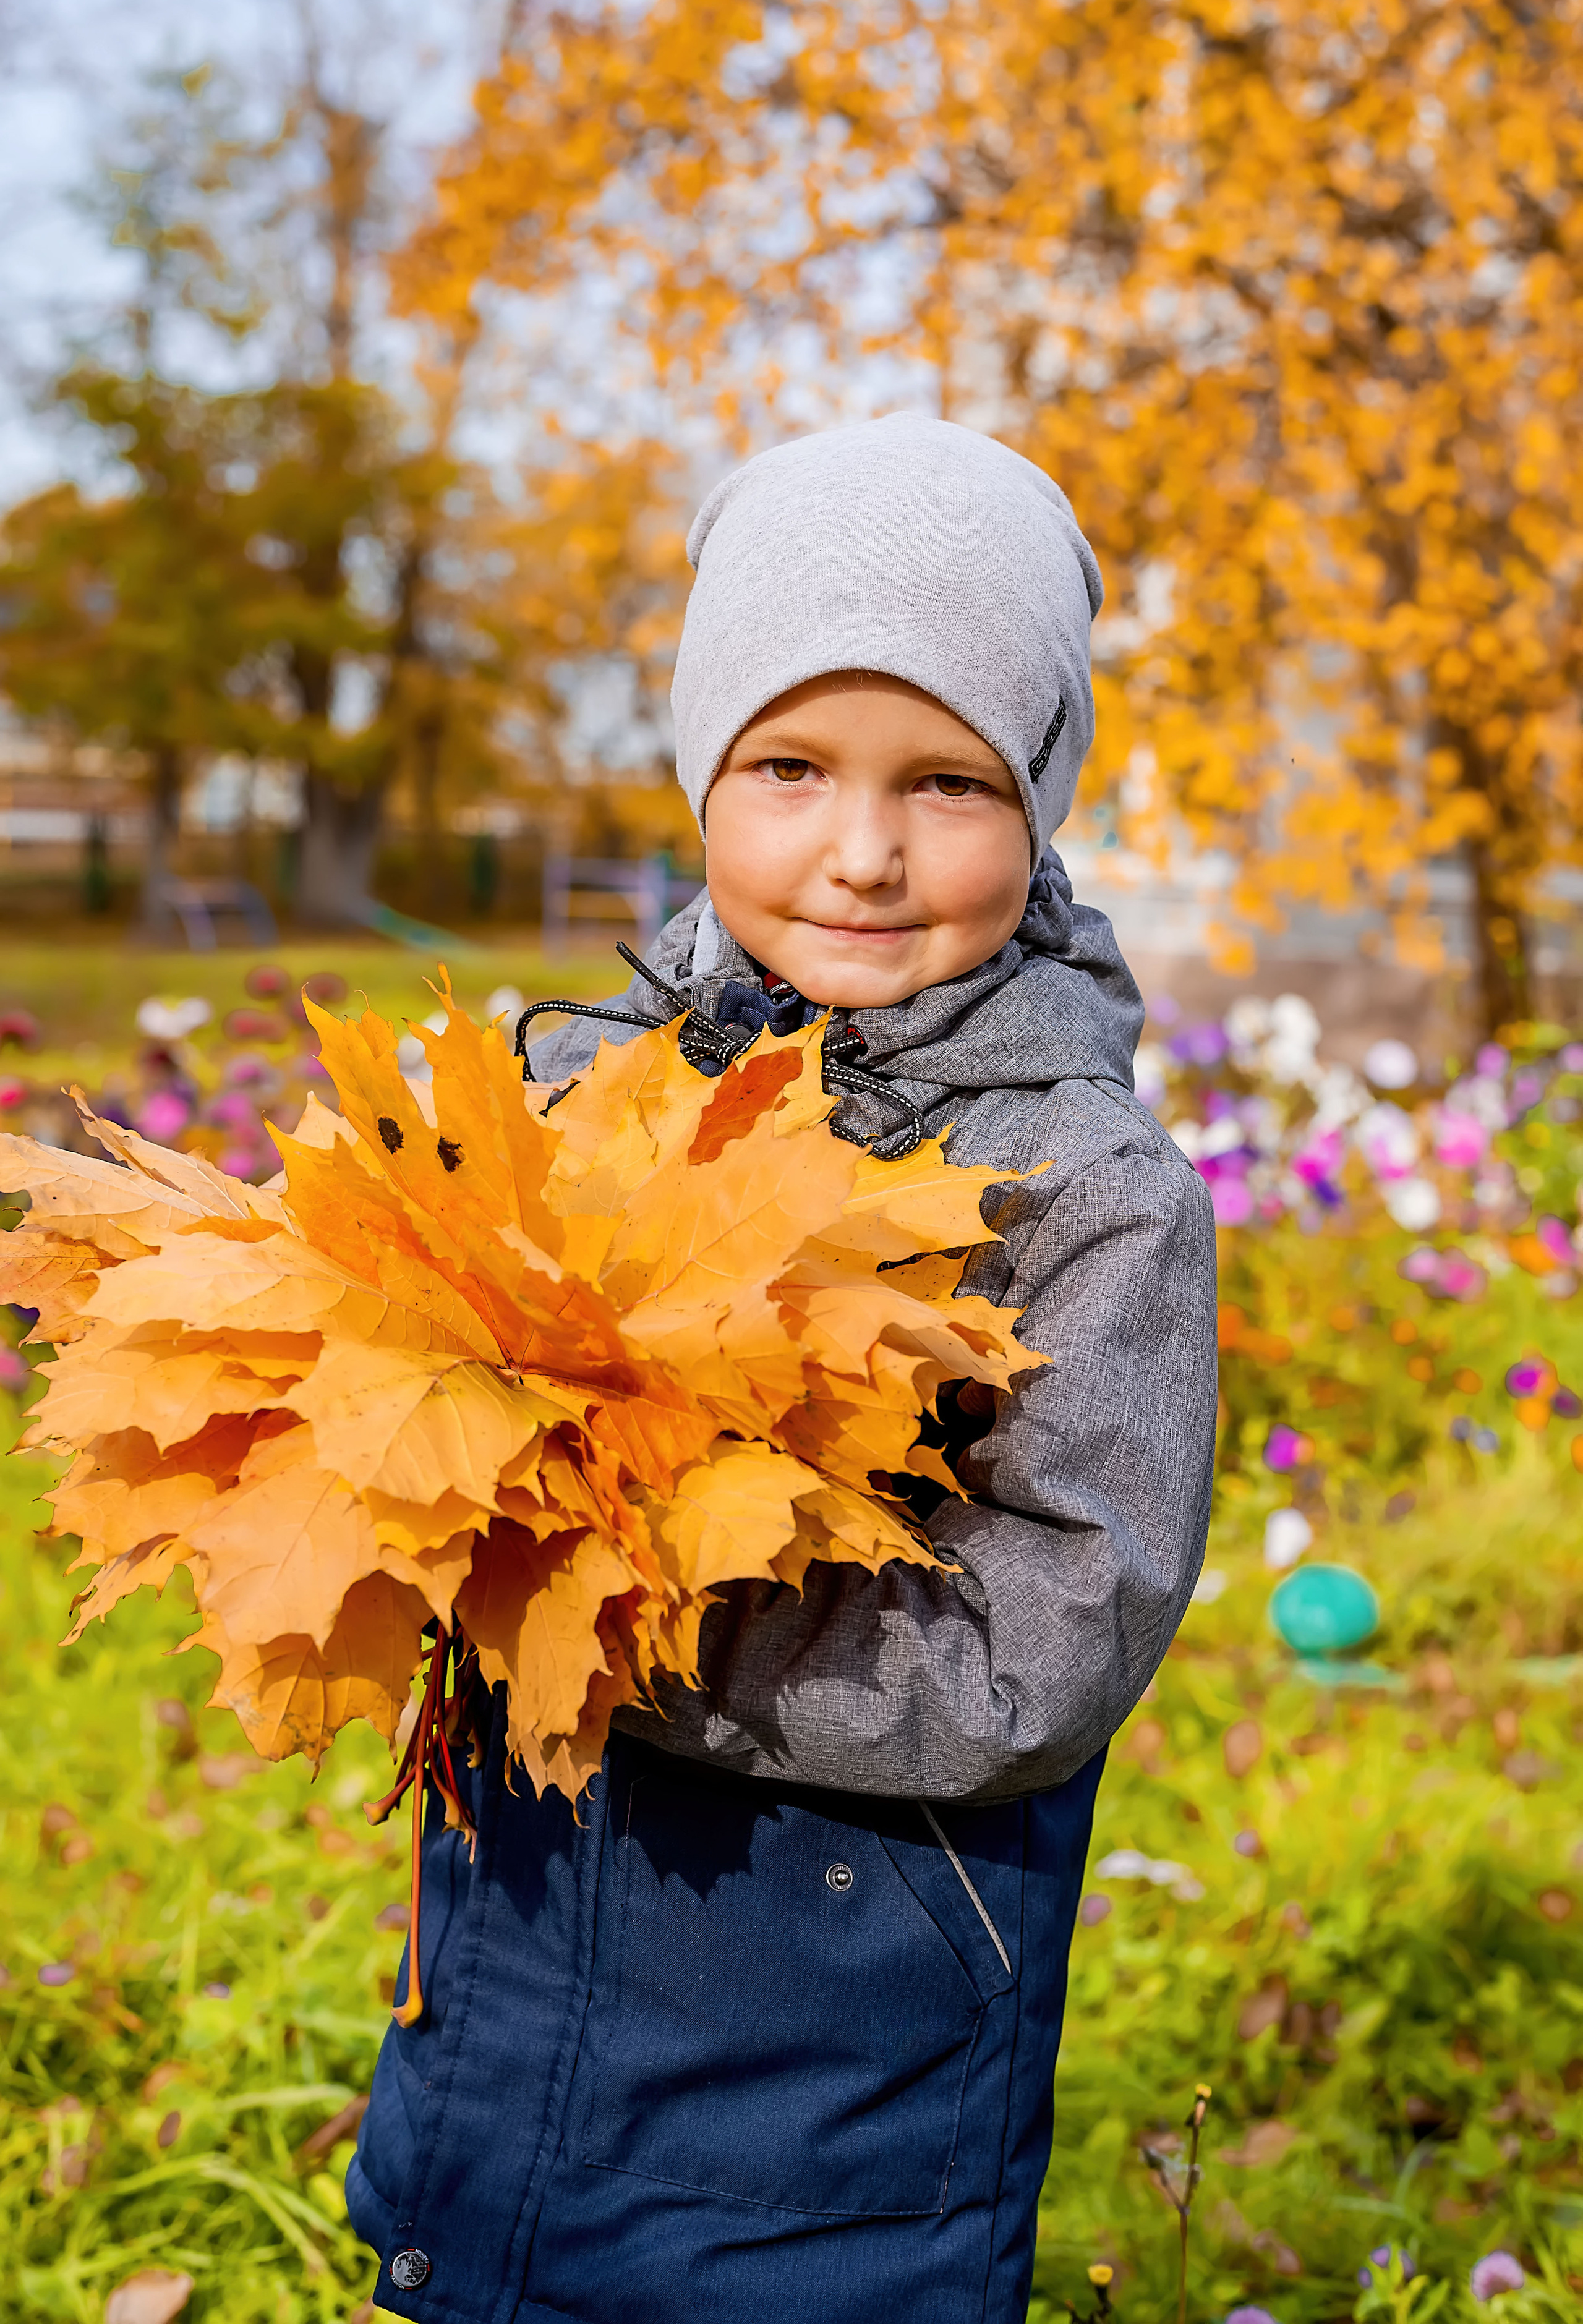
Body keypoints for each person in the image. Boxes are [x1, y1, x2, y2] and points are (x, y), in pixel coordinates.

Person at [347, 413, 1218, 2324]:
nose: (866, 851)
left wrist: (619, 1621)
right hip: (516, 1992)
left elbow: (1034, 1658)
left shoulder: (1089, 1194)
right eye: (793, 764)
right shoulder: (581, 1088)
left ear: (1044, 799)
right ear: (701, 770)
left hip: (836, 2078)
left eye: (952, 783)